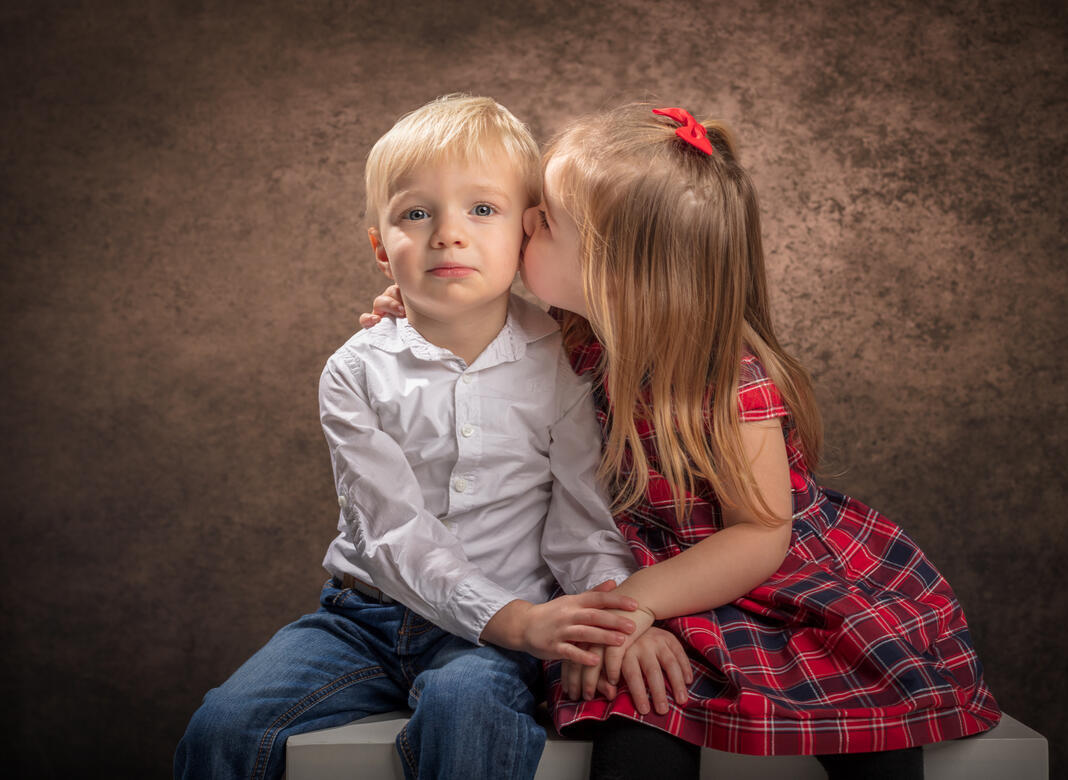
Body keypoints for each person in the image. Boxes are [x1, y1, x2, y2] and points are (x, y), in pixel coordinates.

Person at [364, 102, 1002, 779]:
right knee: (636, 730)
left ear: (616, 272)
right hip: (617, 571)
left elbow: (758, 534)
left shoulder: (724, 382)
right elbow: (468, 341)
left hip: (754, 584)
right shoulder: (564, 335)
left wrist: (635, 603)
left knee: (866, 721)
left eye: (545, 221)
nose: (523, 222)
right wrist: (417, 312)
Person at [174, 94, 693, 780]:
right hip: (365, 618)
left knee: (465, 706)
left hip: (506, 634)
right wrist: (507, 618)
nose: (448, 234)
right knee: (224, 724)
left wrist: (612, 614)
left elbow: (581, 513)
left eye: (482, 210)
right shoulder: (355, 372)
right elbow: (391, 533)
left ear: (526, 234)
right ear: (380, 248)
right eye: (416, 215)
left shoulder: (564, 357)